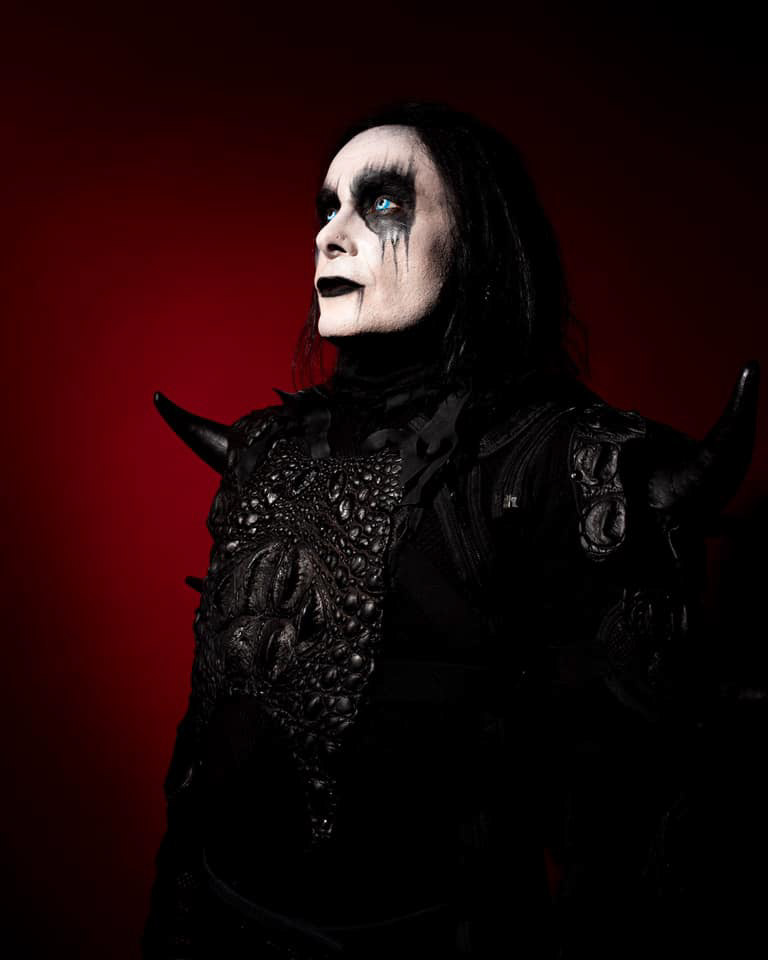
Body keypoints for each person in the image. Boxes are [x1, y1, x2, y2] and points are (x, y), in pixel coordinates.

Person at [143, 102, 759, 958]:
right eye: (327, 207)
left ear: (472, 242)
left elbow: (631, 815)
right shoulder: (268, 449)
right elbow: (208, 741)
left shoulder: (552, 460)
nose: (330, 235)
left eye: (383, 203)